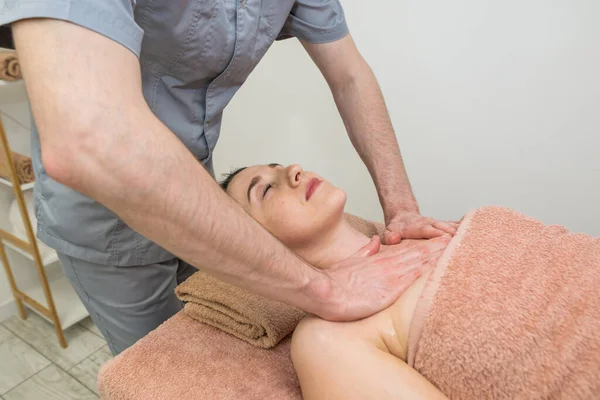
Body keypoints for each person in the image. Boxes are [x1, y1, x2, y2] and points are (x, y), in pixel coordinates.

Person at [0, 1, 456, 355]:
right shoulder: (324, 346)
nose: (295, 170)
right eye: (265, 186)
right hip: (103, 215)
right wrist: (326, 291)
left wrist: (401, 210)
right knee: (167, 362)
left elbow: (350, 75)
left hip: (196, 189)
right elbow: (88, 138)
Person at [221, 163, 600, 400]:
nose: (293, 170)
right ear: (253, 247)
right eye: (265, 189)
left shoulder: (426, 232)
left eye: (279, 165)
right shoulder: (327, 338)